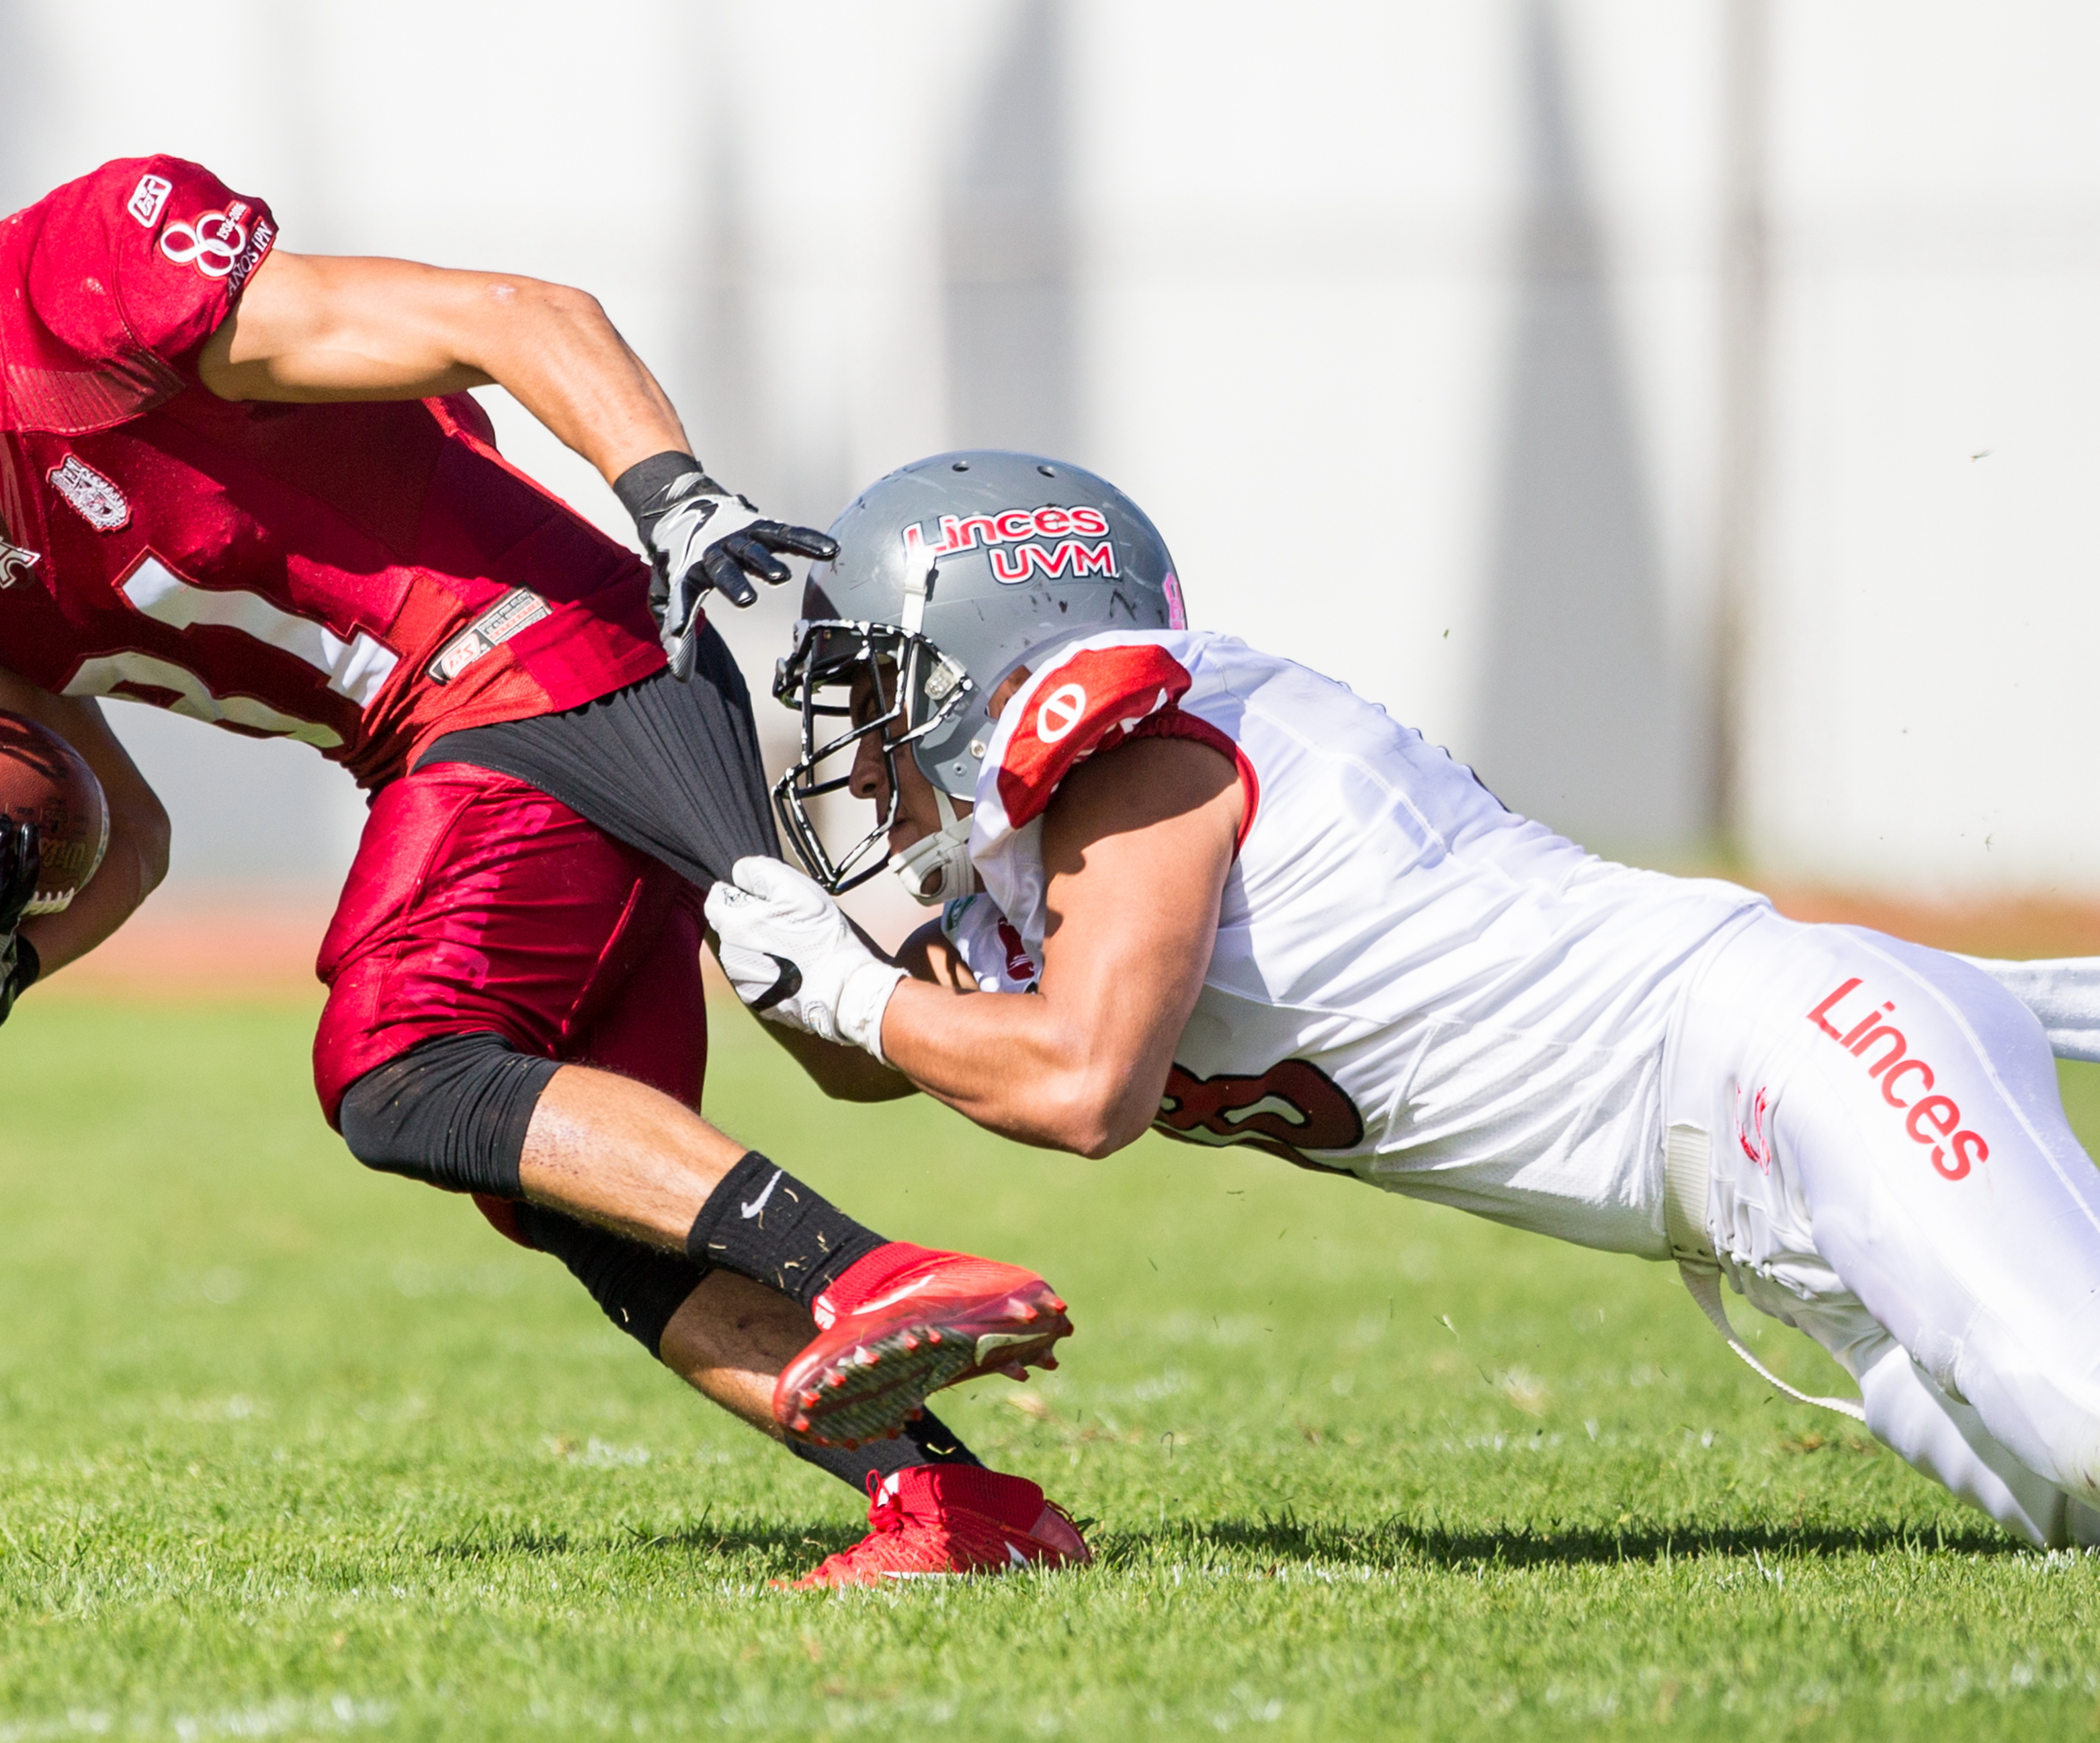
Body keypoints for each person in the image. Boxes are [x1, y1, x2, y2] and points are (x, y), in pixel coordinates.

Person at [0, 83, 1087, 1586]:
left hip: (547, 653)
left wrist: (679, 505)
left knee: (400, 1055)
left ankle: (874, 1274)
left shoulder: (76, 285)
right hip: (439, 742)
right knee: (561, 1190)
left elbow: (520, 314)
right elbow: (133, 834)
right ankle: (957, 1512)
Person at [707, 448, 2100, 1550]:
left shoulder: (1133, 750)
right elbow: (908, 1054)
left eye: (881, 679)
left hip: (1794, 1062)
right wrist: (747, 926)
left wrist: (842, 986)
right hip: (1752, 1202)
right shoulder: (1044, 857)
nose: (862, 739)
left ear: (991, 643)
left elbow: (1078, 1085)